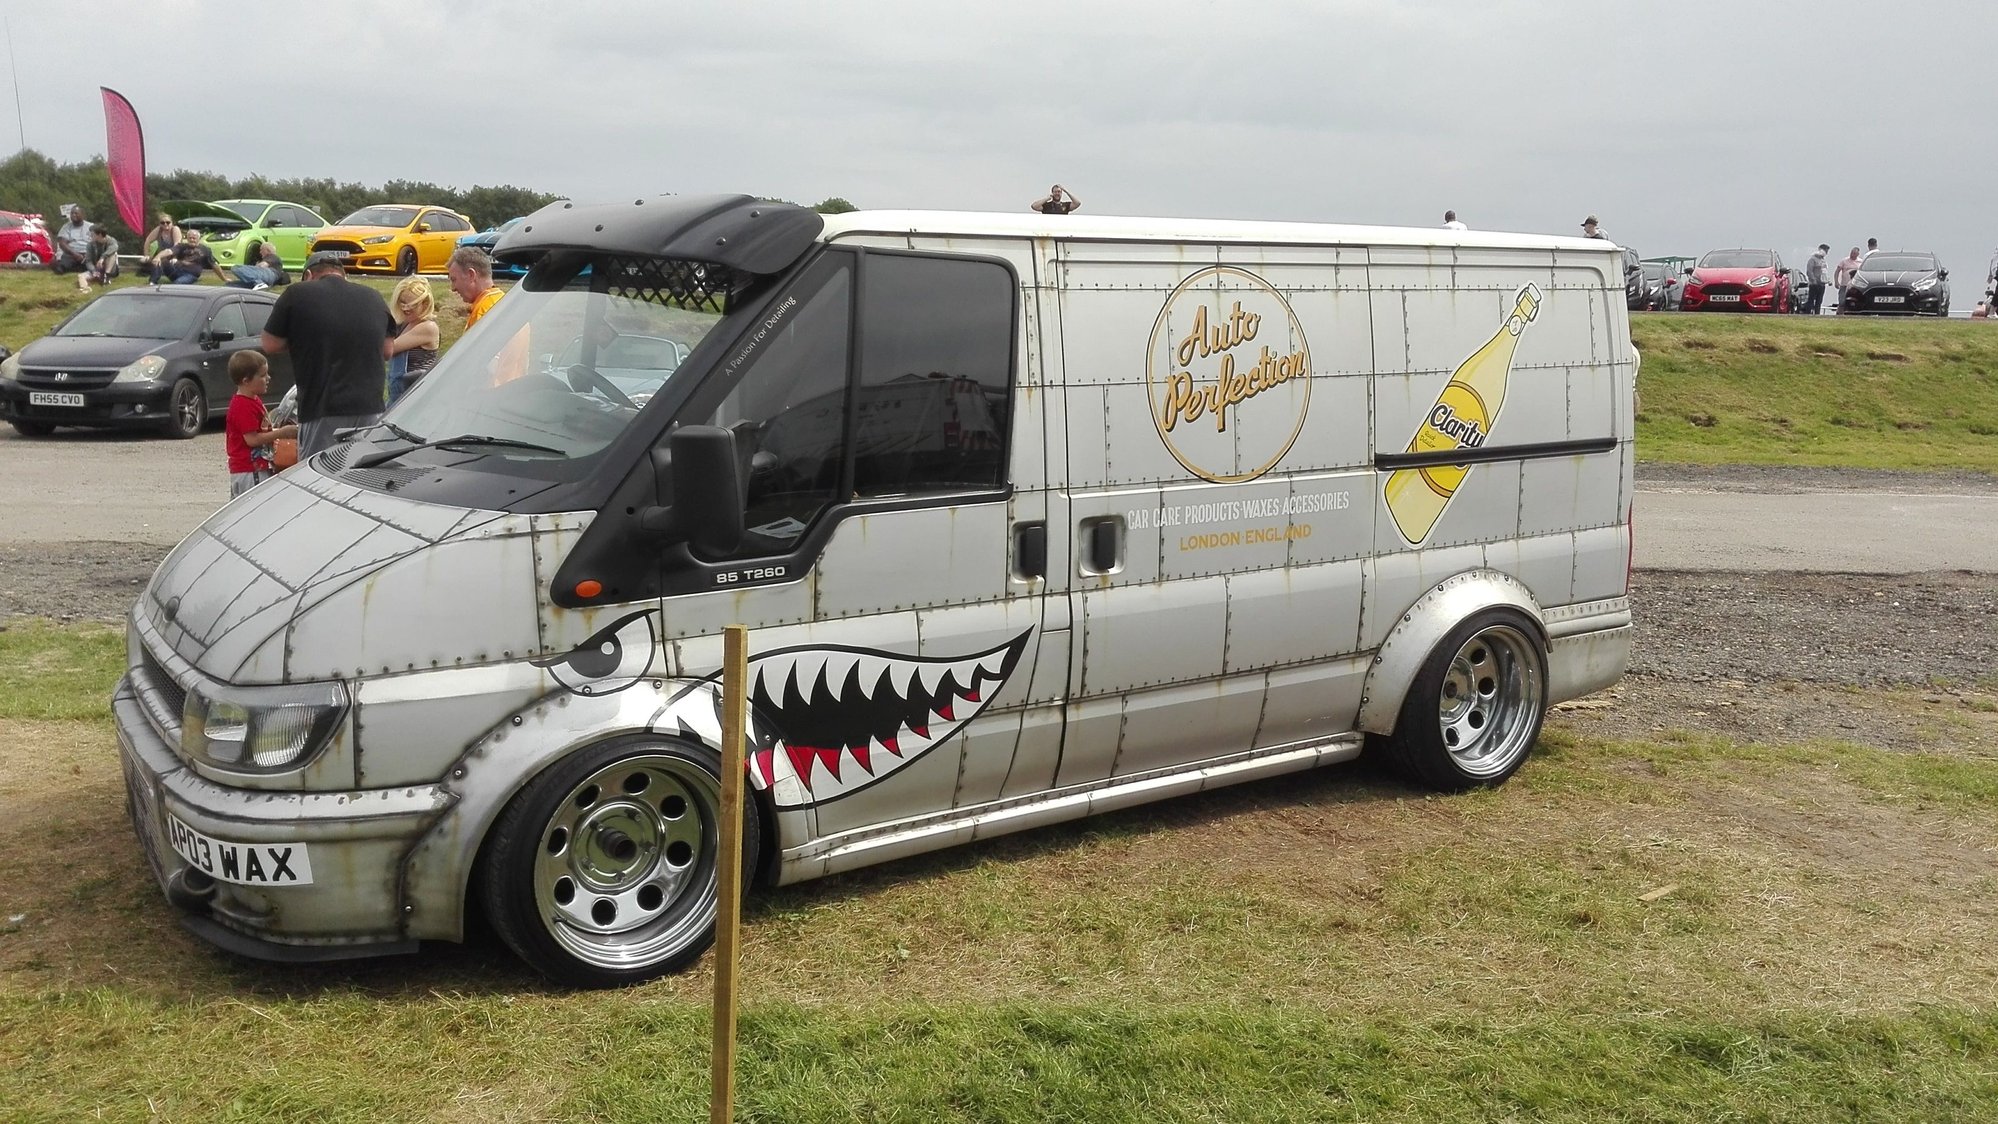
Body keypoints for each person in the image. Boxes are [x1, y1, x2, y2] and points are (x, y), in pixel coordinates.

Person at [261, 251, 397, 459]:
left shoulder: (297, 293)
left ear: (309, 275)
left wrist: (304, 341)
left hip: (322, 407)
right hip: (370, 407)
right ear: (343, 274)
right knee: (362, 469)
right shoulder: (374, 296)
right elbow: (387, 351)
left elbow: (269, 344)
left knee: (318, 470)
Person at [223, 351, 297, 497]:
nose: (268, 378)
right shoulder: (242, 406)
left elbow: (260, 430)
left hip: (257, 468)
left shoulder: (253, 400)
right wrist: (283, 432)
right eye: (263, 375)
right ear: (246, 381)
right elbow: (252, 440)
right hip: (250, 471)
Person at [386, 276, 440, 403]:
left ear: (425, 303)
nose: (405, 308)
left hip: (417, 397)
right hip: (398, 396)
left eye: (412, 304)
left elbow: (390, 348)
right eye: (402, 302)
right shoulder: (404, 324)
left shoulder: (428, 327)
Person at [447, 246, 502, 329]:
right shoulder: (503, 300)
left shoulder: (482, 312)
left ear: (471, 275)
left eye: (454, 280)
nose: (453, 288)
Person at [150, 229, 229, 285]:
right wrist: (157, 257)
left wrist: (224, 278)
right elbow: (168, 251)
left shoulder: (205, 250)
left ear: (198, 239)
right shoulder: (181, 246)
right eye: (190, 238)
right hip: (176, 271)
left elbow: (214, 265)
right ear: (187, 238)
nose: (192, 240)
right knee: (162, 261)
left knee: (178, 284)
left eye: (194, 238)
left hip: (190, 275)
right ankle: (153, 282)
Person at [50, 205, 91, 273]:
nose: (73, 215)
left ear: (82, 215)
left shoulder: (91, 226)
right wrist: (75, 254)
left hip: (87, 253)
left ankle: (82, 268)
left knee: (92, 264)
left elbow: (97, 241)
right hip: (72, 254)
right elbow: (62, 243)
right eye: (72, 213)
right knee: (60, 267)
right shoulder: (66, 227)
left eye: (76, 213)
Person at [79, 225, 120, 291]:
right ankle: (85, 289)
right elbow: (88, 261)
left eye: (92, 234)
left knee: (112, 254)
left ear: (100, 235)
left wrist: (102, 258)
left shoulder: (111, 241)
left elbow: (115, 247)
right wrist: (93, 270)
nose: (90, 236)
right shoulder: (90, 245)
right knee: (81, 276)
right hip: (97, 269)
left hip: (110, 269)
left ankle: (106, 276)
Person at [1803, 244, 1830, 315]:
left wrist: (1827, 280)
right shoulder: (1812, 259)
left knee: (1819, 301)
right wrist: (1813, 280)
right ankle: (1808, 313)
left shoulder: (1823, 261)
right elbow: (1809, 271)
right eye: (1825, 250)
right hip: (1814, 284)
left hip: (1822, 283)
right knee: (1811, 300)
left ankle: (1817, 314)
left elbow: (1825, 272)